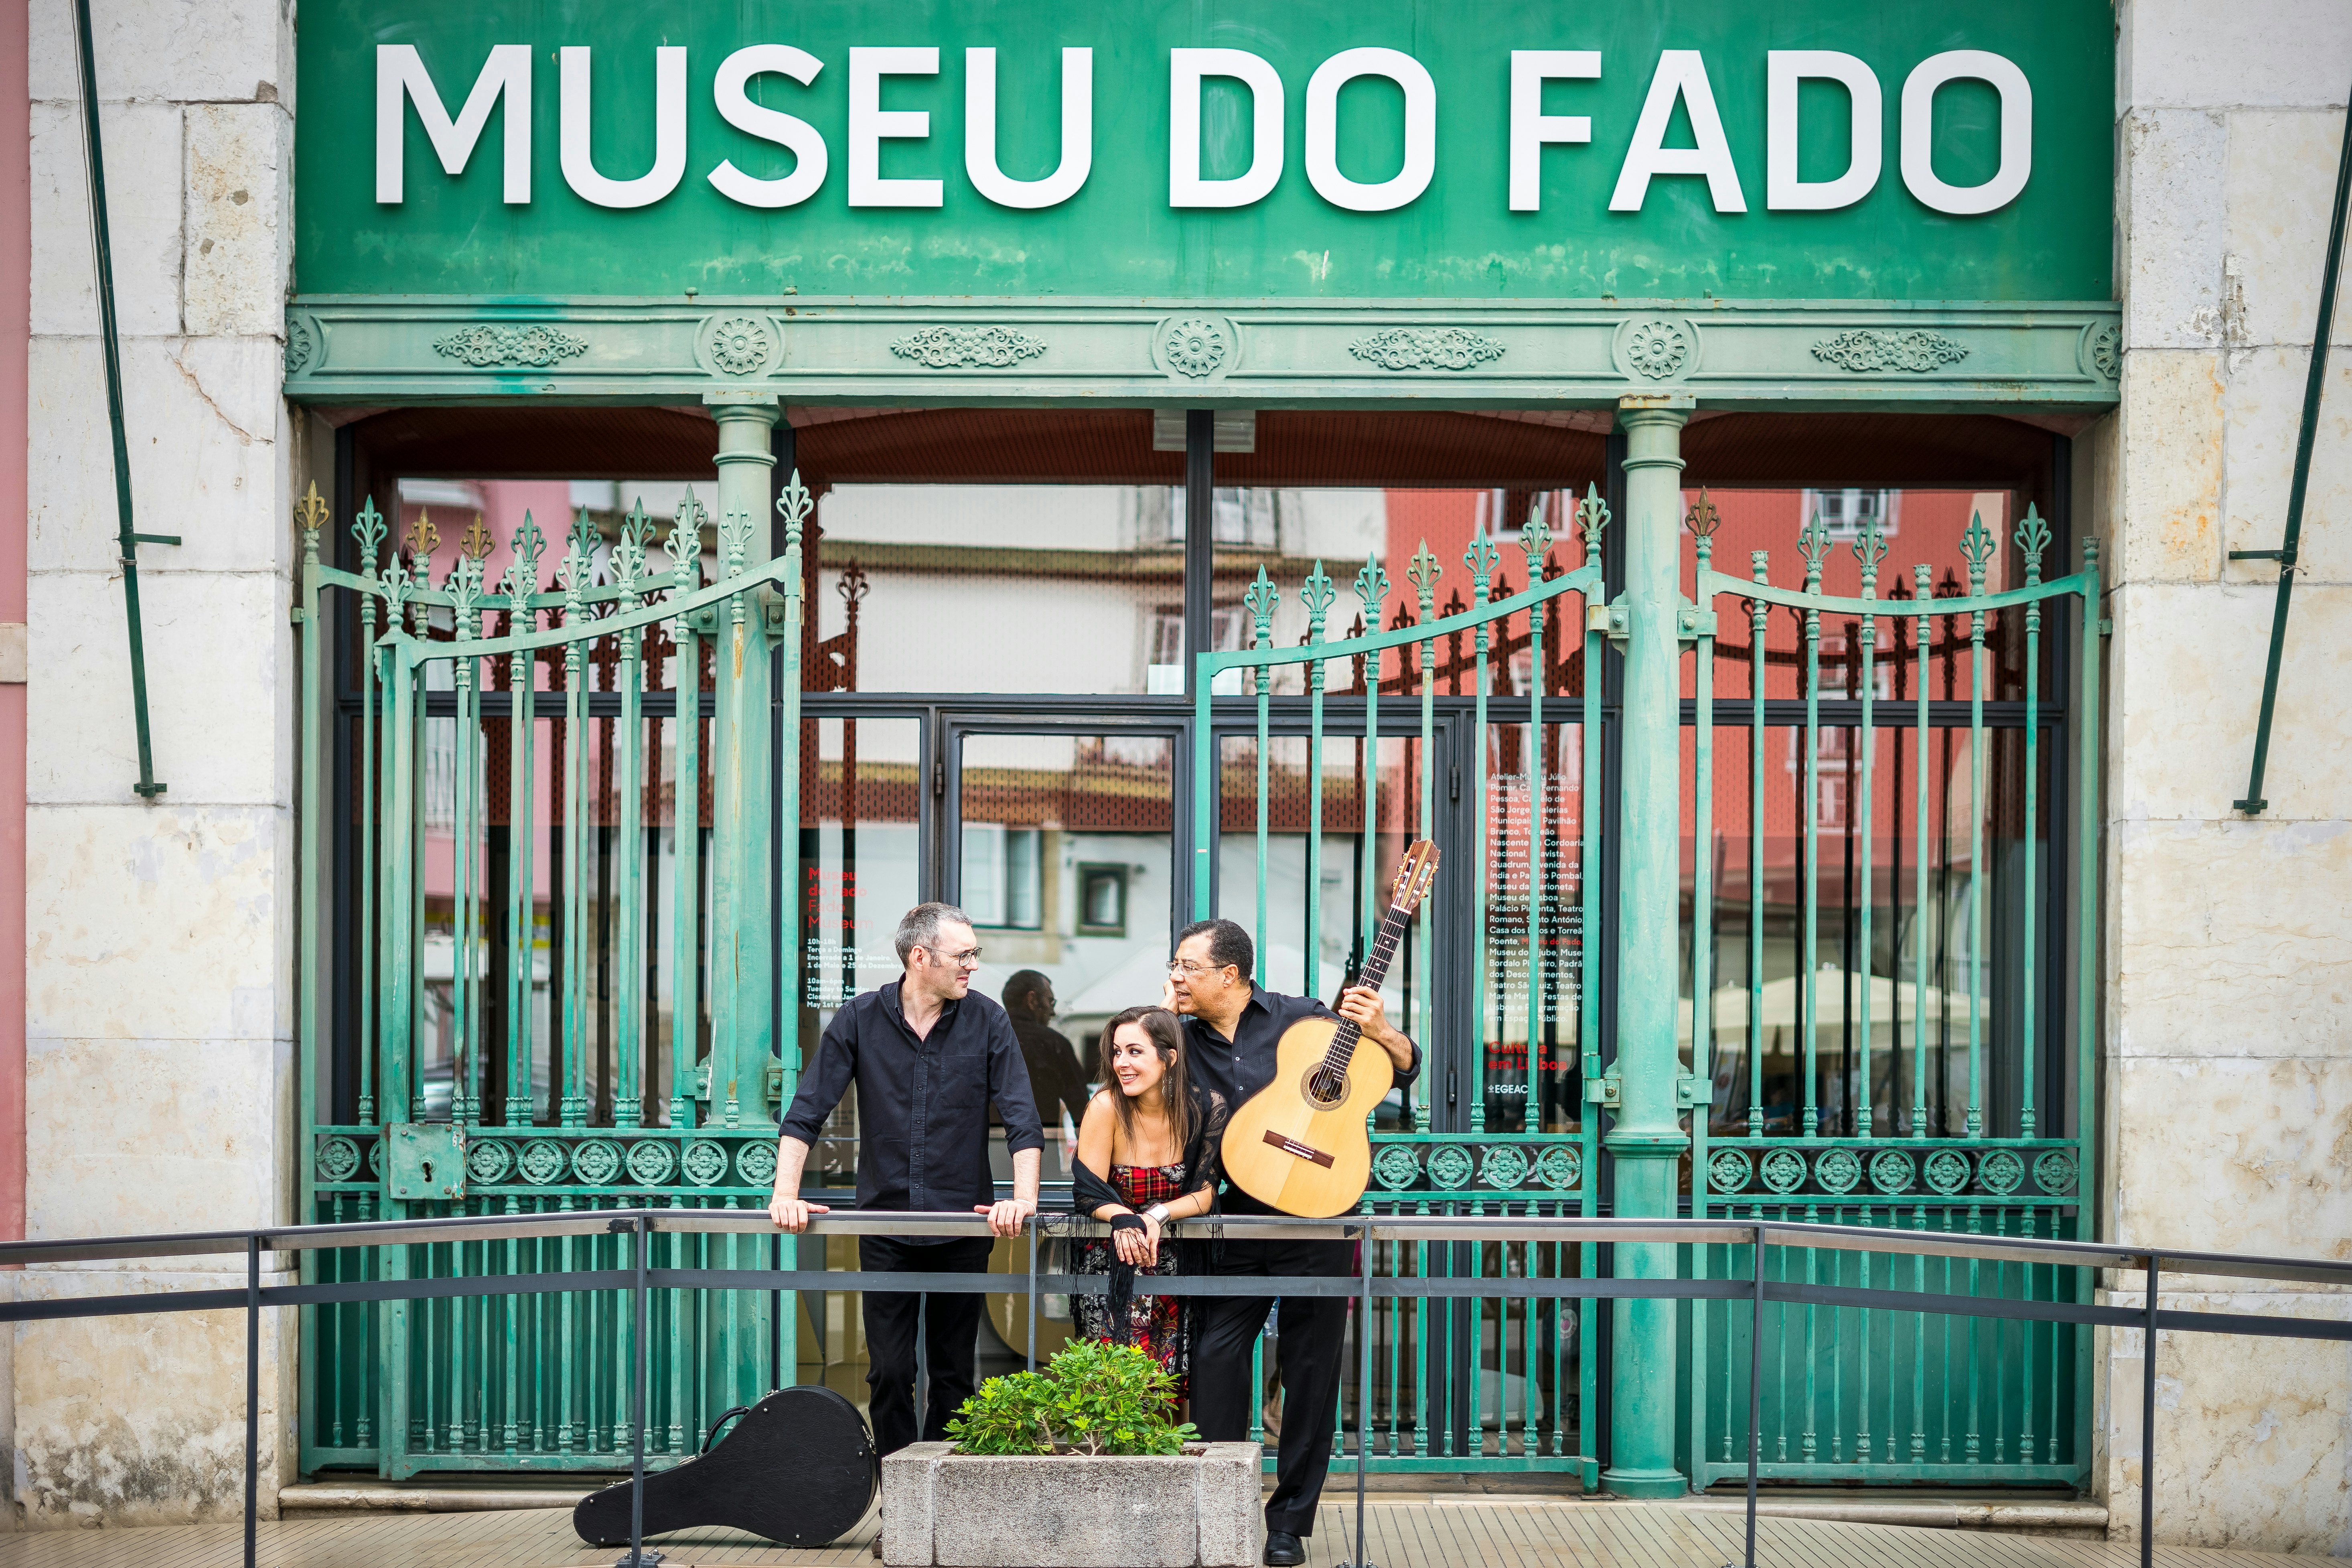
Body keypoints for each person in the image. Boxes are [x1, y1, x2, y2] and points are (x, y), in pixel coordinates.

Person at [1164, 918, 1417, 1568]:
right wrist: (1159, 1019)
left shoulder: (1305, 1020)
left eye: (1187, 966)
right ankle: (1220, 1508)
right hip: (1230, 1219)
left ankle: (1289, 1524)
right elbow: (1124, 1082)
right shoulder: (1177, 1039)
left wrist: (1381, 1028)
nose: (1177, 976)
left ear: (1231, 973)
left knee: (1310, 1372)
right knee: (1215, 1361)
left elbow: (1402, 1070)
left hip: (1318, 1216)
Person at [769, 903, 1043, 1458]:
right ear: (921, 958)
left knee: (952, 1374)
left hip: (963, 1226)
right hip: (886, 1225)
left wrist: (1023, 1198)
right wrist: (785, 1194)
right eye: (962, 955)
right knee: (891, 1372)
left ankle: (938, 1499)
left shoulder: (988, 1019)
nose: (972, 965)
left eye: (975, 954)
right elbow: (806, 1112)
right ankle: (899, 1494)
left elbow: (1022, 1118)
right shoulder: (859, 1018)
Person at [1069, 1006, 1223, 1394]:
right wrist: (1124, 1217)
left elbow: (1205, 1192)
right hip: (1114, 1265)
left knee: (1171, 1384)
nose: (1121, 1062)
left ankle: (1168, 1458)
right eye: (1117, 1052)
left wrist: (1158, 1214)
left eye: (1134, 1051)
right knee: (1113, 1387)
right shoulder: (1106, 1106)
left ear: (1169, 1057)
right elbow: (1087, 1190)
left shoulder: (1205, 1108)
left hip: (1177, 1263)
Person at [996, 970, 1092, 1136]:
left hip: (987, 1149)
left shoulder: (984, 1039)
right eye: (1051, 1002)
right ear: (1032, 1000)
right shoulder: (1054, 1043)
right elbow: (1081, 1109)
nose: (1053, 1012)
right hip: (1041, 1147)